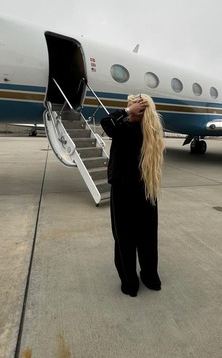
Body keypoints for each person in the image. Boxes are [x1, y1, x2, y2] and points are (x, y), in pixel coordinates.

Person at [100, 94, 165, 297]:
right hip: (147, 191)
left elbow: (105, 122)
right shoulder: (153, 135)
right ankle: (150, 278)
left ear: (139, 111)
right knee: (147, 238)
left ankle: (130, 284)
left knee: (124, 238)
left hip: (123, 193)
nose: (129, 109)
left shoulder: (124, 130)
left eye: (132, 107)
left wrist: (127, 111)